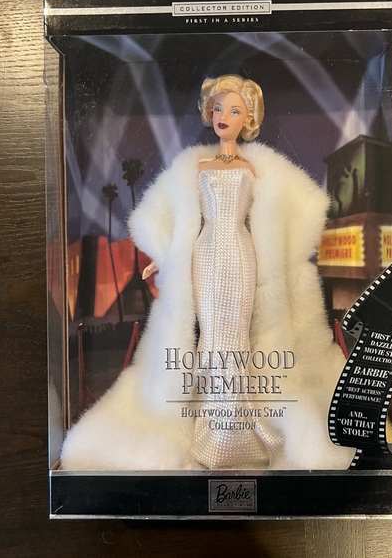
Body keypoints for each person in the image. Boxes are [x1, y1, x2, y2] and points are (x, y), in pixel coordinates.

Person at [59, 75, 356, 471]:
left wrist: (289, 256)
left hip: (242, 254)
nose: (223, 116)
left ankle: (240, 428)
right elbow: (183, 221)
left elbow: (281, 216)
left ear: (248, 118)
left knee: (237, 337)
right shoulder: (197, 166)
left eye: (234, 110)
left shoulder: (256, 168)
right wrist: (167, 258)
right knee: (212, 336)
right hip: (205, 254)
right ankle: (210, 426)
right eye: (218, 108)